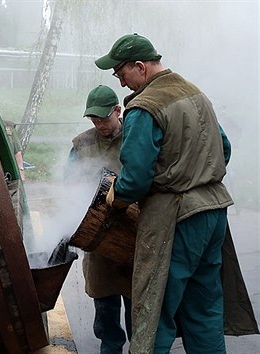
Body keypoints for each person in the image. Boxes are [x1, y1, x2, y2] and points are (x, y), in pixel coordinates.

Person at [97, 33, 234, 354]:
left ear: (140, 67)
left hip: (175, 220)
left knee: (153, 312)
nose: (121, 83)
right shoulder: (194, 94)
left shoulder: (145, 107)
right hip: (214, 213)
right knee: (204, 310)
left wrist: (114, 196)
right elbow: (223, 149)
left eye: (121, 74)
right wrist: (193, 172)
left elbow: (135, 180)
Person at [65, 85, 132, 354]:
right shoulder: (82, 143)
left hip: (132, 230)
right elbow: (69, 183)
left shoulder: (135, 134)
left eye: (104, 118)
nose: (99, 124)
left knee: (135, 299)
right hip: (98, 232)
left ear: (118, 111)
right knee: (103, 296)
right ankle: (110, 346)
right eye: (94, 119)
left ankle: (139, 346)